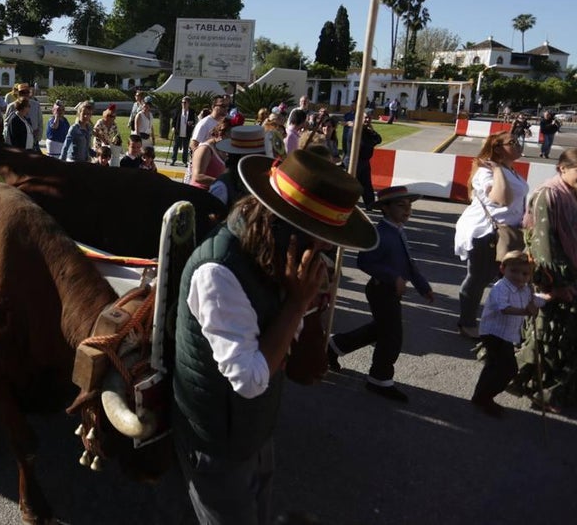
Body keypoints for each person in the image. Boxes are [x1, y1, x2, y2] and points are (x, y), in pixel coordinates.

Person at [170, 149, 378, 524]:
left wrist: (309, 304)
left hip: (254, 430)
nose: (329, 249)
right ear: (286, 225)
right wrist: (298, 303)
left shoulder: (271, 252)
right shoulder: (219, 271)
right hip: (218, 441)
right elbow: (248, 380)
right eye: (325, 238)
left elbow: (285, 352)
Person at [512, 137, 577, 412]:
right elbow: (542, 245)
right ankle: (544, 392)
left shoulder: (570, 194)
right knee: (552, 339)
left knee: (569, 339)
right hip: (554, 283)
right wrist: (555, 285)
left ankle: (562, 391)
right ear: (562, 168)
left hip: (571, 280)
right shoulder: (548, 194)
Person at [328, 186, 435, 403]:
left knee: (380, 329)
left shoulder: (397, 230)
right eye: (400, 205)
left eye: (409, 206)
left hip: (390, 291)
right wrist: (392, 277)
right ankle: (379, 378)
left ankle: (334, 346)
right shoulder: (380, 233)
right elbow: (364, 261)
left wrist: (424, 287)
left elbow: (409, 263)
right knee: (392, 336)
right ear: (385, 208)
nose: (407, 210)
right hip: (380, 290)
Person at [452, 131, 529, 339]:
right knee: (479, 278)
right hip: (486, 232)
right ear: (497, 148)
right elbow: (501, 199)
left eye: (518, 140)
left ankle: (507, 322)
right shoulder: (486, 172)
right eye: (512, 142)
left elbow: (518, 202)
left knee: (511, 279)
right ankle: (466, 322)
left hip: (508, 233)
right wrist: (496, 169)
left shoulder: (512, 171)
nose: (518, 144)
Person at [470, 251, 544, 417]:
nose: (519, 276)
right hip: (494, 332)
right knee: (508, 369)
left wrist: (545, 300)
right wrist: (526, 311)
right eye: (514, 271)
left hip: (506, 334)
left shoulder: (525, 289)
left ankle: (480, 395)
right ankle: (486, 396)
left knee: (494, 365)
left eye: (525, 273)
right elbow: (504, 308)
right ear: (503, 268)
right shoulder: (500, 288)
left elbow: (537, 300)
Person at [187, 122, 229, 205]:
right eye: (229, 136)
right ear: (220, 134)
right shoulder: (205, 149)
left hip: (214, 194)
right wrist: (224, 183)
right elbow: (198, 176)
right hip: (199, 195)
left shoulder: (222, 149)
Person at [170, 96, 195, 166]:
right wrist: (173, 127)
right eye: (182, 102)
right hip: (178, 132)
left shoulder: (192, 111)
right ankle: (173, 160)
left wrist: (191, 123)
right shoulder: (178, 111)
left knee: (186, 148)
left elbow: (194, 121)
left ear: (188, 103)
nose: (183, 104)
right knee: (175, 147)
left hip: (187, 133)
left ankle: (184, 161)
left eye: (184, 102)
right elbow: (173, 121)